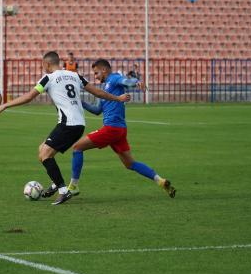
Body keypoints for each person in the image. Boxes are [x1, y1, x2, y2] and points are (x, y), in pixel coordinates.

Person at [0, 51, 130, 205]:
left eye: (42, 65)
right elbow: (98, 92)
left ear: (46, 64)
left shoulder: (48, 78)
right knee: (42, 149)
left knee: (44, 155)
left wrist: (4, 106)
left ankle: (63, 190)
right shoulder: (75, 75)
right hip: (79, 124)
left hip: (68, 124)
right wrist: (117, 98)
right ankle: (55, 183)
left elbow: (29, 97)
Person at [68, 59, 176, 198]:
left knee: (77, 147)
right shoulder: (104, 90)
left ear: (104, 70)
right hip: (119, 130)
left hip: (111, 129)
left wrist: (135, 82)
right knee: (130, 163)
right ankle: (160, 181)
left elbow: (125, 81)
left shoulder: (113, 79)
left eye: (96, 73)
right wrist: (80, 102)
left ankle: (73, 186)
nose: (95, 76)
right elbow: (96, 110)